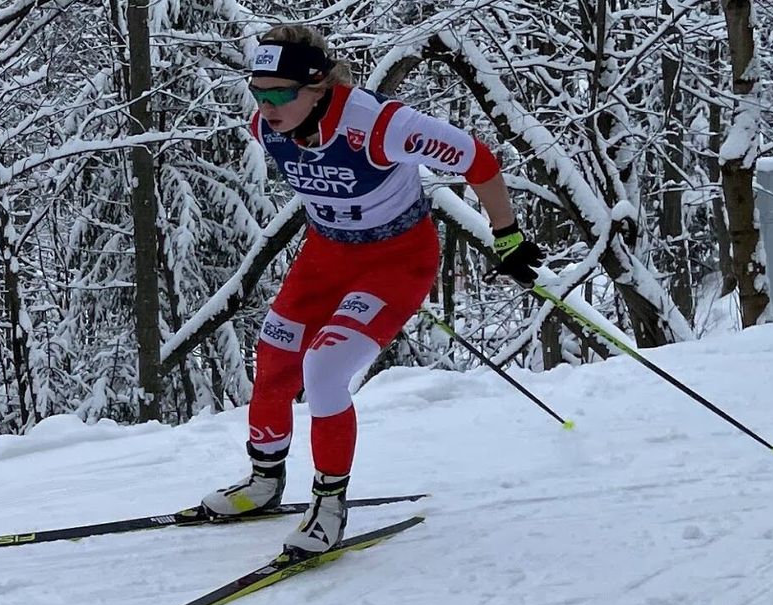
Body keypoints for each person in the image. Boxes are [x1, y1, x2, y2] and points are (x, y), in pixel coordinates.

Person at [200, 25, 545, 556]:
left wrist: (507, 235)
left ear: (318, 87)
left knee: (325, 368)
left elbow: (479, 160)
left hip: (396, 261)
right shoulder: (266, 126)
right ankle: (264, 482)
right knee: (274, 352)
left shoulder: (384, 126)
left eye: (279, 93)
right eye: (257, 91)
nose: (266, 107)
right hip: (326, 256)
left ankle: (330, 504)